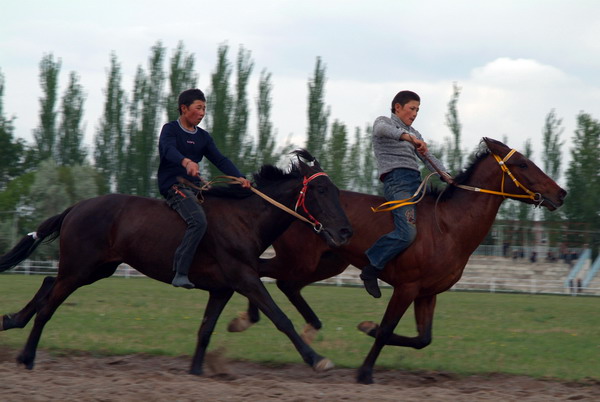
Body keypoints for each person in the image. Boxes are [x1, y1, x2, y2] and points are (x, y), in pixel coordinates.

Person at [360, 90, 453, 298]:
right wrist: (408, 137)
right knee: (407, 233)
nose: (415, 113)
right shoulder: (383, 122)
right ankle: (371, 268)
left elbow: (429, 158)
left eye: (418, 110)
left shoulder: (415, 134)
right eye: (412, 108)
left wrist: (448, 177)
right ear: (397, 107)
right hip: (397, 183)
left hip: (415, 184)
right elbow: (383, 129)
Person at [157, 88, 251, 289]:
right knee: (198, 221)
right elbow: (168, 150)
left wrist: (239, 177)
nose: (202, 113)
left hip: (195, 187)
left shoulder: (204, 137)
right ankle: (180, 271)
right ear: (184, 108)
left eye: (204, 109)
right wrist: (186, 161)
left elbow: (220, 159)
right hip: (174, 185)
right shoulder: (170, 129)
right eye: (198, 108)